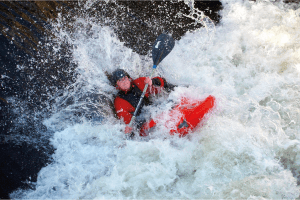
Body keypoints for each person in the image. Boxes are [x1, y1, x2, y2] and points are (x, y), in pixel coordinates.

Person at [109, 69, 175, 136]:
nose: (124, 81)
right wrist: (128, 129)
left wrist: (153, 81)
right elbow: (128, 123)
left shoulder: (139, 82)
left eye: (125, 78)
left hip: (154, 110)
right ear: (116, 86)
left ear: (129, 78)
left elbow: (163, 83)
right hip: (144, 123)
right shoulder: (119, 102)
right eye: (120, 80)